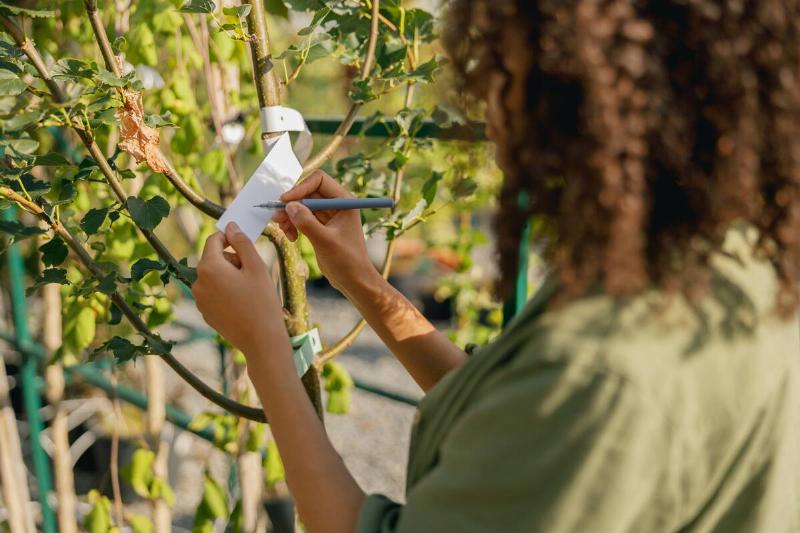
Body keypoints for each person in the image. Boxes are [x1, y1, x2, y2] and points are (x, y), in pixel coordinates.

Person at [192, 0, 800, 531]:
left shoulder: (608, 367)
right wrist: (364, 282)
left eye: (505, 72)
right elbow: (516, 419)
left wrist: (265, 347)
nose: (484, 98)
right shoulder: (727, 254)